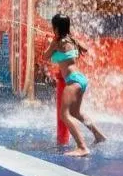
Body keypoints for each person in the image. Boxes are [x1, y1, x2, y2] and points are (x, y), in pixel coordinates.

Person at [43, 14, 106, 157]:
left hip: (72, 80)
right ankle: (99, 135)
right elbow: (85, 49)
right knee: (76, 113)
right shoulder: (72, 40)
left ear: (56, 28)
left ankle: (82, 147)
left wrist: (51, 43)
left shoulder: (57, 43)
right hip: (80, 79)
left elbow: (45, 57)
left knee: (64, 114)